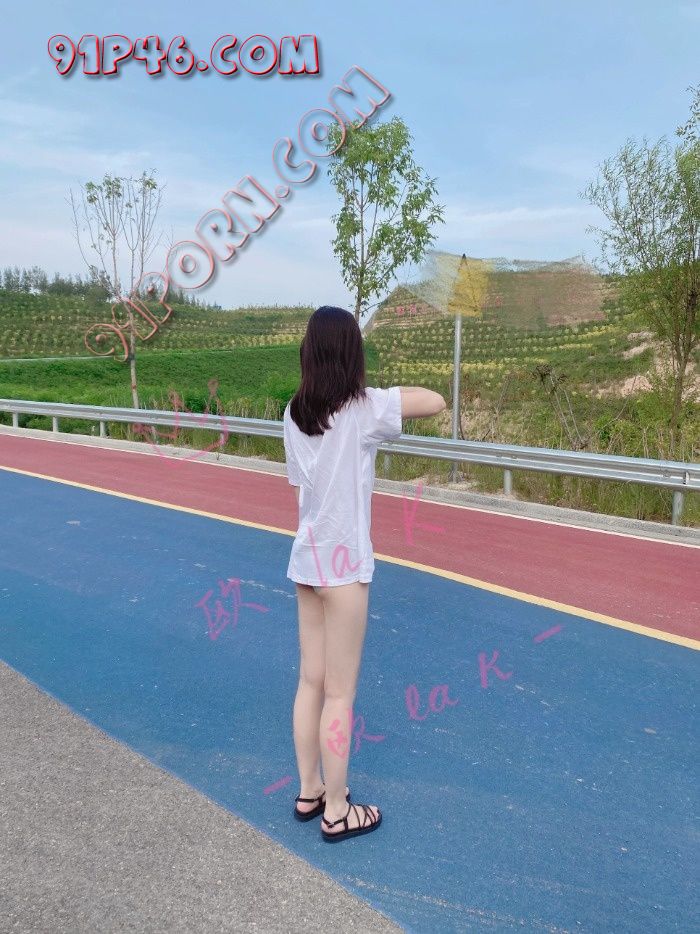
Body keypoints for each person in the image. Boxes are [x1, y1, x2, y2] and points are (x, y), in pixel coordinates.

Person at [282, 306, 446, 842]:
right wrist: (379, 392)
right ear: (352, 353)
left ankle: (309, 789)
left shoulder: (294, 412)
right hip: (345, 567)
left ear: (309, 352)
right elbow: (435, 401)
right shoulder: (365, 408)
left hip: (307, 561)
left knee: (310, 681)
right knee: (340, 694)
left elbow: (301, 487)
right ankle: (337, 810)